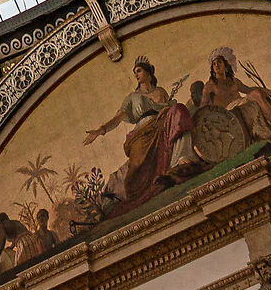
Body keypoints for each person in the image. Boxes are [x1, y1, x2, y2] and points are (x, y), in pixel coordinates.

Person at [82, 57, 197, 210]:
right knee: (134, 175)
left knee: (179, 110)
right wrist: (100, 130)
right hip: (143, 133)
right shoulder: (132, 97)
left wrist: (166, 110)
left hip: (161, 124)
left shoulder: (161, 92)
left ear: (148, 72)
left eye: (139, 71)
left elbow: (170, 109)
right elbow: (118, 118)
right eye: (134, 72)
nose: (136, 75)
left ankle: (181, 161)